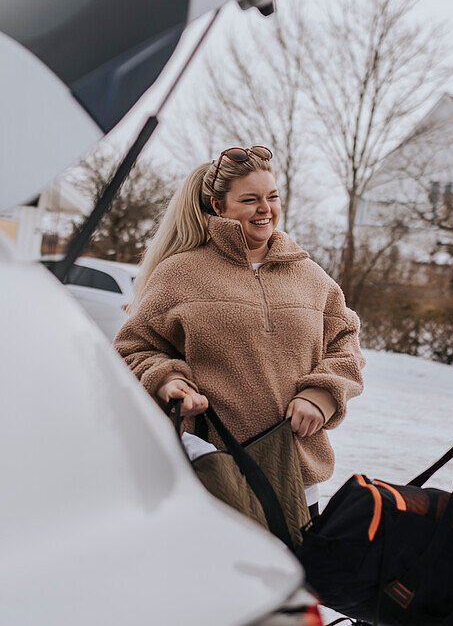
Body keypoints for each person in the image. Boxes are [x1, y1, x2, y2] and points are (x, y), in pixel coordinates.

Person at [114, 145, 364, 513]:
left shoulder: (312, 277)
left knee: (293, 572)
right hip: (210, 473)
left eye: (273, 197)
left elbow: (346, 347)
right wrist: (169, 381)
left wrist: (321, 396)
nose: (266, 209)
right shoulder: (179, 274)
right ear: (218, 206)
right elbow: (133, 349)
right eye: (250, 199)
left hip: (296, 481)